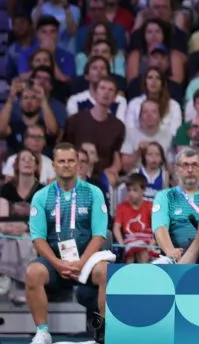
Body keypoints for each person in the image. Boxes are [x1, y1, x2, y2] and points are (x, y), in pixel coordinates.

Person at [25, 143, 110, 344]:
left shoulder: (93, 193)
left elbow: (99, 235)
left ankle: (103, 332)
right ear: (53, 165)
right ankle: (43, 332)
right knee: (32, 273)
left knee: (107, 272)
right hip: (54, 262)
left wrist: (81, 263)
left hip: (87, 261)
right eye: (61, 161)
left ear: (78, 164)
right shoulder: (41, 196)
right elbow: (38, 239)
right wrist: (57, 263)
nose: (66, 165)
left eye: (71, 160)